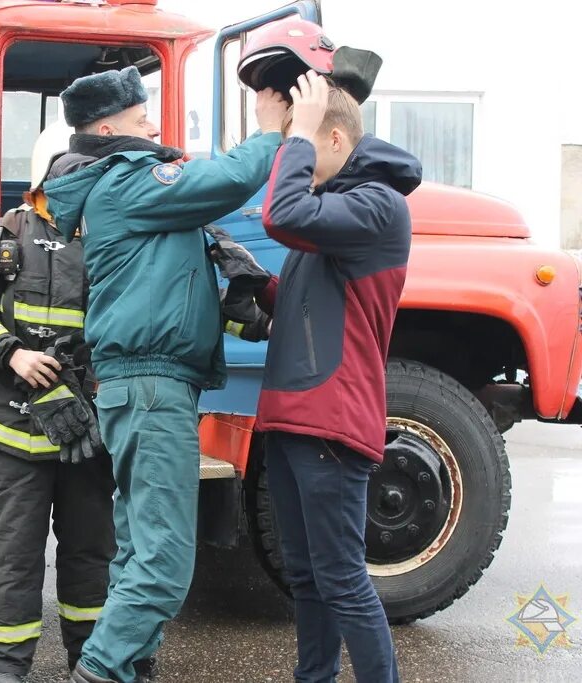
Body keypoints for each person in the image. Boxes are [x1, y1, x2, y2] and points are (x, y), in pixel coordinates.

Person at [42, 65, 288, 683]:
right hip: (151, 390)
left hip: (142, 388)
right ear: (107, 127)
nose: (154, 124)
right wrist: (271, 130)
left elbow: (184, 287)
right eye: (140, 116)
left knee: (135, 554)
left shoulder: (123, 193)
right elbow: (231, 178)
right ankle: (99, 672)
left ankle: (126, 669)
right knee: (165, 562)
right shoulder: (127, 182)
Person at [254, 72, 423, 682]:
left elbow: (282, 213)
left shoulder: (378, 204)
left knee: (343, 578)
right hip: (297, 415)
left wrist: (294, 134)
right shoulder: (340, 211)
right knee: (307, 576)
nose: (286, 153)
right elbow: (316, 304)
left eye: (297, 140)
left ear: (330, 135)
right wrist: (257, 286)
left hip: (329, 418)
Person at [0, 126, 116, 683]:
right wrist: (12, 355)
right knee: (11, 561)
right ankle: (4, 673)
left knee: (91, 558)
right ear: (49, 175)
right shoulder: (1, 236)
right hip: (15, 435)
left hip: (88, 434)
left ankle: (89, 666)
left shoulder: (117, 237)